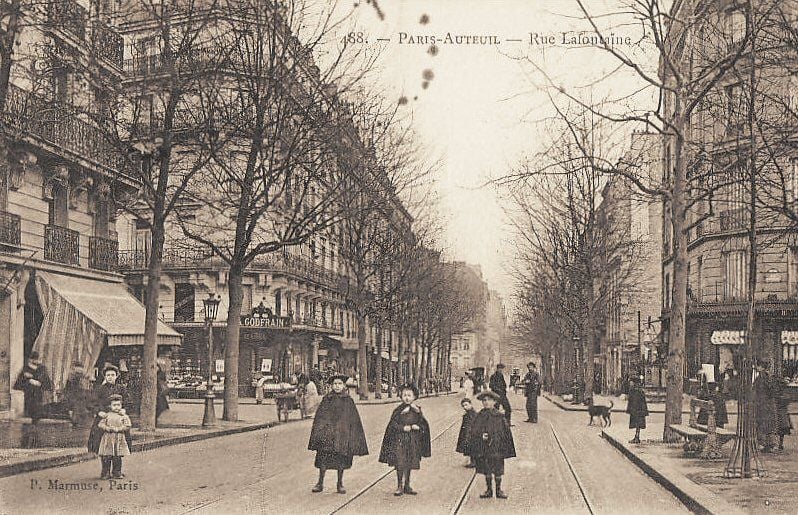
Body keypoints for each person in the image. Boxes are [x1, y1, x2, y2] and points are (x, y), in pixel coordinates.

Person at [308, 373, 368, 494]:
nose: (337, 386)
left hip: (342, 436)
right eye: (335, 384)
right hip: (327, 435)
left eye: (340, 384)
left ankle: (339, 483)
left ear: (344, 385)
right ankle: (320, 483)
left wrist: (352, 435)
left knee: (341, 460)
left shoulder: (348, 401)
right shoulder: (326, 399)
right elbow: (320, 417)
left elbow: (353, 420)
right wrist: (321, 431)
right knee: (323, 460)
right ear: (331, 385)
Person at [379, 383, 431, 496]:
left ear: (414, 397)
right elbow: (392, 424)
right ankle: (399, 485)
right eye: (405, 395)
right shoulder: (398, 410)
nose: (407, 397)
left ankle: (407, 485)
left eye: (409, 395)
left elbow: (423, 425)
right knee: (400, 462)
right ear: (401, 397)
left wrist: (418, 427)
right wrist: (403, 428)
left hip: (412, 441)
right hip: (400, 441)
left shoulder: (417, 410)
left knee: (409, 462)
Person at [469, 390, 516, 499]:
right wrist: (481, 436)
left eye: (489, 400)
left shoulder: (499, 416)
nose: (486, 402)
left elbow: (505, 432)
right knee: (487, 470)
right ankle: (489, 490)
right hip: (484, 448)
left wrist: (502, 444)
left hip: (497, 447)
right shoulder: (480, 415)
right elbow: (474, 430)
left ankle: (498, 490)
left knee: (498, 470)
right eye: (484, 400)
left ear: (494, 402)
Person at [88, 364, 132, 455]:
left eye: (112, 375)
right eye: (108, 375)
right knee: (99, 438)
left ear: (116, 376)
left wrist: (124, 409)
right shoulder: (100, 389)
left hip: (118, 417)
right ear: (105, 377)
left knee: (120, 440)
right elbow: (92, 402)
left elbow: (128, 402)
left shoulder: (121, 388)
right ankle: (101, 455)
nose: (110, 377)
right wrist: (99, 411)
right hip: (104, 415)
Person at [97, 394, 132, 479]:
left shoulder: (123, 416)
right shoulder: (107, 415)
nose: (116, 407)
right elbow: (100, 424)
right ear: (110, 406)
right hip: (108, 438)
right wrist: (107, 428)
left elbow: (128, 425)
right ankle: (105, 473)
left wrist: (119, 429)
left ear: (121, 405)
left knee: (117, 456)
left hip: (119, 438)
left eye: (118, 405)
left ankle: (117, 472)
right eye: (114, 405)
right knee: (106, 456)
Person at [13, 351, 53, 424]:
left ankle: (35, 419)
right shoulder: (26, 368)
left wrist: (33, 380)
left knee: (37, 405)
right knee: (30, 405)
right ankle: (33, 418)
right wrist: (27, 379)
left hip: (38, 391)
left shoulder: (42, 368)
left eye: (35, 359)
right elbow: (20, 380)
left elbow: (43, 380)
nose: (34, 361)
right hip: (29, 390)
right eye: (32, 359)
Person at [754, 361, 777, 452]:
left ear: (761, 367)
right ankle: (770, 444)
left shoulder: (761, 377)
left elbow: (756, 389)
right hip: (768, 404)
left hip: (762, 403)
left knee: (762, 423)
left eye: (758, 366)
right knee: (769, 424)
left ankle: (762, 444)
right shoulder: (768, 376)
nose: (756, 367)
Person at [63, 360, 91, 428]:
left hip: (77, 393)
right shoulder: (74, 374)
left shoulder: (75, 374)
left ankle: (76, 421)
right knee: (76, 407)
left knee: (76, 408)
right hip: (75, 393)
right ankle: (76, 421)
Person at [456, 397, 477, 468]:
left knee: (471, 447)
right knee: (470, 447)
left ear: (470, 404)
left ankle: (473, 462)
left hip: (470, 433)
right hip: (467, 432)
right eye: (463, 406)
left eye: (466, 405)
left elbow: (470, 425)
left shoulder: (472, 414)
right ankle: (473, 461)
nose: (465, 407)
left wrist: (468, 434)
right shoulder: (468, 413)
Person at [627, 377, 648, 444]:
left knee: (638, 424)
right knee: (637, 425)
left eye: (631, 382)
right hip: (637, 410)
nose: (630, 383)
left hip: (637, 411)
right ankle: (636, 437)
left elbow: (637, 402)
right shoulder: (635, 390)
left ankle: (637, 437)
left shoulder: (637, 391)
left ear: (634, 383)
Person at [775, 373, 793, 452]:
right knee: (781, 429)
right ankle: (780, 444)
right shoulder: (784, 394)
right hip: (782, 413)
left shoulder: (780, 395)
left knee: (780, 429)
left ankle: (779, 444)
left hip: (781, 413)